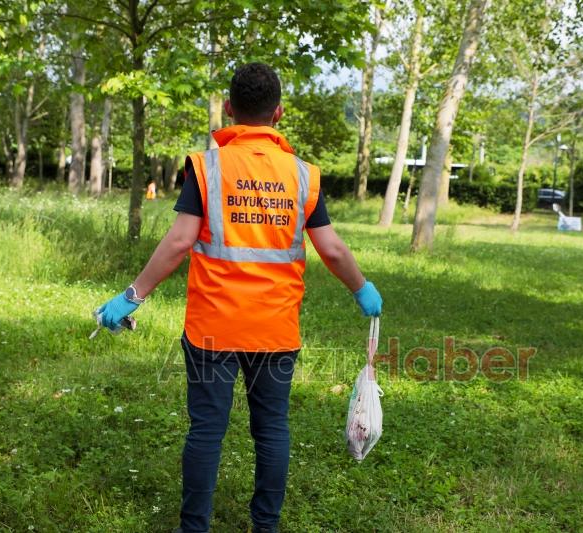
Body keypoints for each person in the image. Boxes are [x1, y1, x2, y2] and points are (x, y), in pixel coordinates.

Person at [94, 63, 383, 533]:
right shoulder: (302, 175)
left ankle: (195, 528)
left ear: (229, 110)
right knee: (271, 429)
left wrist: (132, 295)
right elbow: (329, 246)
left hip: (212, 327)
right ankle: (264, 527)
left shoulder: (208, 167)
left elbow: (178, 241)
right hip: (274, 329)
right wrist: (361, 289)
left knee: (207, 430)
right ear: (279, 113)